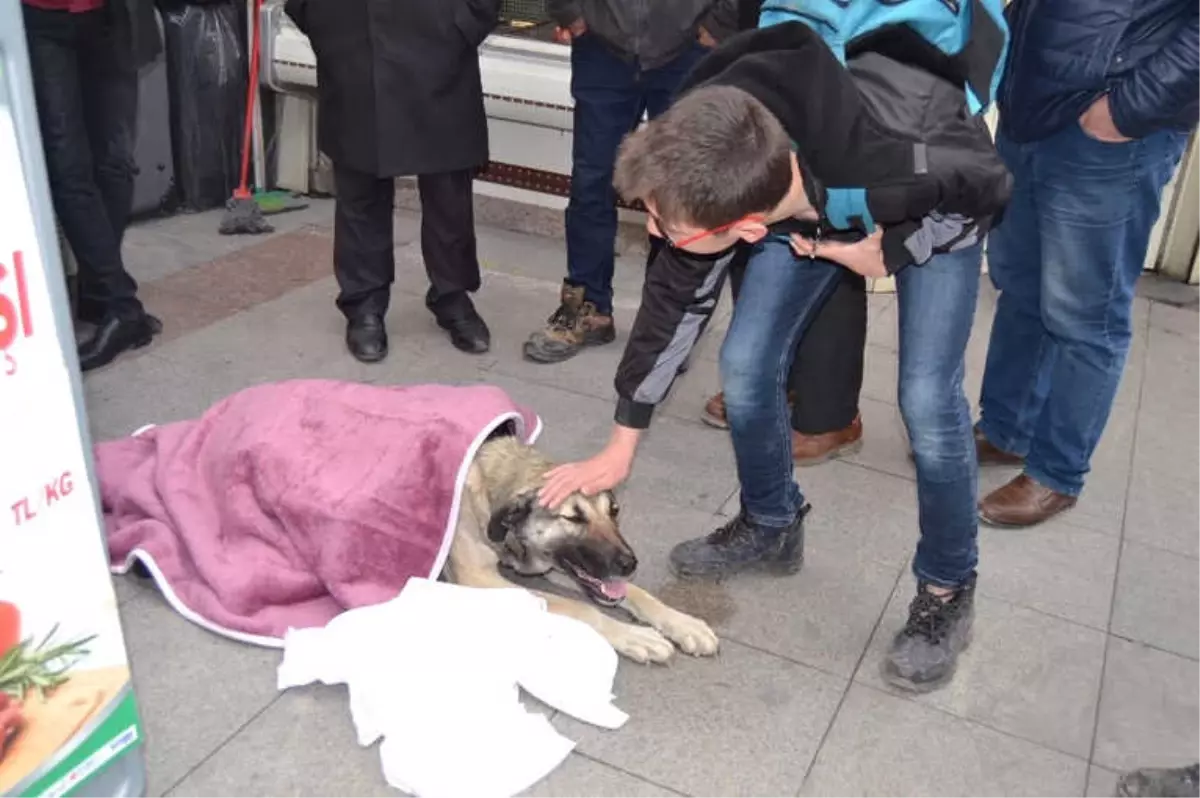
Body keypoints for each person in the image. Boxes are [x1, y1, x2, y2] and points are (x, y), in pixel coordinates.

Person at [538, 21, 1012, 691]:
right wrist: (623, 440)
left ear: (747, 231)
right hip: (807, 197)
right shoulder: (703, 135)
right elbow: (671, 309)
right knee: (747, 362)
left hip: (933, 207)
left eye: (662, 225)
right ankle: (771, 523)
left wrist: (896, 248)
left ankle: (946, 591)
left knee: (928, 403)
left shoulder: (904, 161)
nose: (651, 229)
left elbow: (985, 188)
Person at [974, 0, 1200, 528]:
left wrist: (1129, 108)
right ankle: (1008, 430)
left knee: (1086, 317)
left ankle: (1057, 473)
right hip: (1032, 109)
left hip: (1108, 135)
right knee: (1022, 286)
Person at [521, 0, 737, 364]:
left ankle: (665, 329)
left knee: (680, 193)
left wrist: (720, 23)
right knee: (591, 183)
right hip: (601, 48)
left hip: (688, 51)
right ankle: (588, 309)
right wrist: (568, 12)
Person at [284, 0, 499, 362]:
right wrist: (325, 22)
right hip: (355, 42)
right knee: (361, 186)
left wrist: (465, 19)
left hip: (442, 42)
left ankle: (452, 294)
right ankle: (364, 303)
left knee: (449, 190)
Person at [700, 0, 867, 467]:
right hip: (759, 46)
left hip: (849, 58)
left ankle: (831, 413)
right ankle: (772, 378)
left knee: (831, 239)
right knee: (753, 225)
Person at [22, 0, 163, 372]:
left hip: (111, 16)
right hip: (41, 18)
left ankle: (102, 292)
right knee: (68, 169)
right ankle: (119, 303)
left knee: (113, 165)